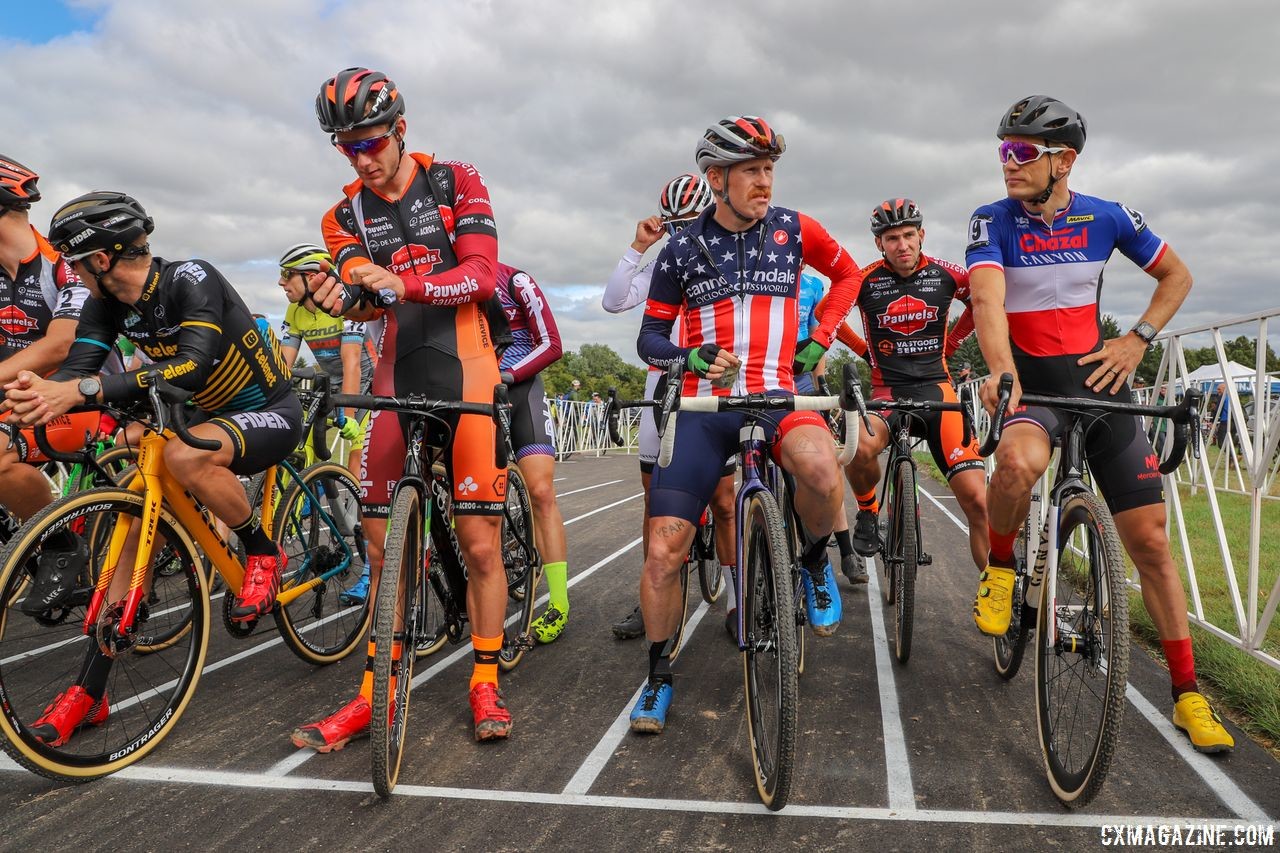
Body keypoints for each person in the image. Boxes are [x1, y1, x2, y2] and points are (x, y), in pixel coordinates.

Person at [967, 95, 1233, 751]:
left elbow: (1176, 274)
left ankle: (1188, 694)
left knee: (1151, 541)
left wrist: (1139, 338)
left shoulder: (1106, 216)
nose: (1008, 163)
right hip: (1033, 386)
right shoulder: (991, 219)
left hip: (1101, 385)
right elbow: (985, 299)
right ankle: (1001, 567)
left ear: (1064, 161)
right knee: (1018, 464)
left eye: (1022, 152)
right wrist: (1003, 371)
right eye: (1003, 150)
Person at [5, 191, 301, 744]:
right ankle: (89, 692)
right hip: (199, 412)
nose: (70, 273)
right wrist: (42, 394)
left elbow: (193, 365)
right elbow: (78, 368)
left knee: (182, 454)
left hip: (265, 411)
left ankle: (261, 550)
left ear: (100, 259)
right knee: (138, 502)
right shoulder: (105, 302)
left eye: (72, 261)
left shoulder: (192, 278)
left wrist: (81, 390)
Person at [293, 66, 513, 749]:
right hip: (395, 372)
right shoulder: (341, 217)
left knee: (479, 544)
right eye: (348, 147)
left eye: (372, 141)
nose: (363, 157)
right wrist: (342, 299)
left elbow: (482, 273)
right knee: (384, 546)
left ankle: (484, 680)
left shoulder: (454, 180)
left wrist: (403, 283)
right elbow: (367, 296)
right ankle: (370, 694)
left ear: (400, 130)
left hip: (467, 366)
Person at [631, 116, 862, 732]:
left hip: (779, 395)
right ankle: (657, 676)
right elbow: (649, 338)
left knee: (821, 469)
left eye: (769, 170)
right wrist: (690, 358)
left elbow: (850, 275)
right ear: (716, 178)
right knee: (663, 551)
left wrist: (821, 336)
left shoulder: (793, 228)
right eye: (751, 172)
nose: (765, 182)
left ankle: (812, 561)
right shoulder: (680, 249)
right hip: (704, 408)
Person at [601, 173, 737, 641]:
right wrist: (638, 247)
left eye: (689, 223)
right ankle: (652, 595)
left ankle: (738, 599)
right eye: (673, 226)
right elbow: (614, 300)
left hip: (710, 385)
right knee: (653, 499)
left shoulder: (728, 257)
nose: (681, 234)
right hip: (664, 384)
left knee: (723, 501)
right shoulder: (667, 261)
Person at [818, 198, 987, 570]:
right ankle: (867, 510)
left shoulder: (946, 275)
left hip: (938, 389)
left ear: (922, 235)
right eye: (892, 238)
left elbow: (981, 301)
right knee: (858, 447)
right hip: (886, 392)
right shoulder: (864, 279)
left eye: (909, 235)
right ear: (880, 243)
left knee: (978, 502)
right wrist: (863, 349)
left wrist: (954, 342)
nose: (902, 245)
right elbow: (823, 310)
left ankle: (997, 595)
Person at [0, 154, 99, 614]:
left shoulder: (62, 265)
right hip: (16, 396)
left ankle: (61, 545)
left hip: (80, 397)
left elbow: (60, 346)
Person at [277, 242, 376, 602]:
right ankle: (313, 504)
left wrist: (348, 417)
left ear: (310, 276)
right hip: (328, 383)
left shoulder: (340, 301)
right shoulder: (294, 309)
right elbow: (283, 365)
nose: (280, 282)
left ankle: (369, 568)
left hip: (365, 384)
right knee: (298, 445)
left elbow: (352, 363)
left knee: (357, 468)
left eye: (287, 275)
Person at [489, 261, 571, 643]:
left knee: (540, 492)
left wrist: (508, 375)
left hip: (518, 389)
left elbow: (552, 344)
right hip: (474, 395)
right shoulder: (444, 282)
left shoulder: (514, 279)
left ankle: (558, 602)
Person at [794, 270, 864, 586]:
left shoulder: (812, 285)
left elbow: (816, 335)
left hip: (803, 380)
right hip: (765, 379)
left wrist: (820, 383)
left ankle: (848, 551)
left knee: (828, 464)